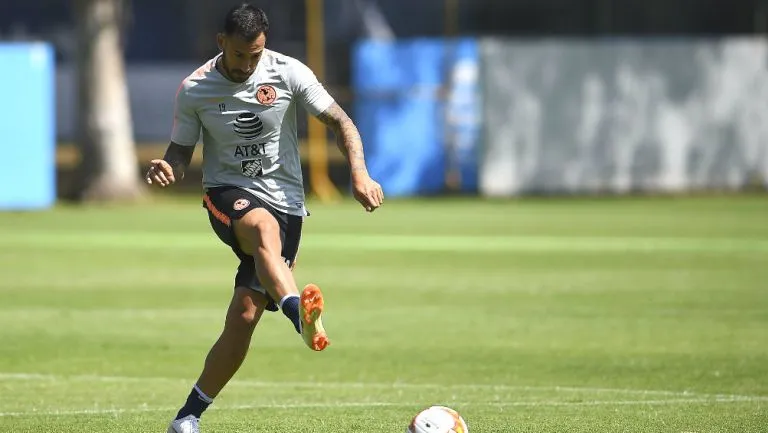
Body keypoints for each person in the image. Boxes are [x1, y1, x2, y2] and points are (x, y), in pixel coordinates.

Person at [144, 3, 384, 432]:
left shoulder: (289, 72)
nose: (247, 64)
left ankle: (187, 418)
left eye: (255, 55)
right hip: (226, 194)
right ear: (222, 44)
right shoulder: (196, 88)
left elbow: (341, 122)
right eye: (239, 55)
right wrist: (168, 168)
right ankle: (298, 313)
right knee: (260, 226)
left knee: (244, 315)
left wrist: (360, 173)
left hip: (288, 202)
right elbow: (180, 151)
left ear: (264, 45)